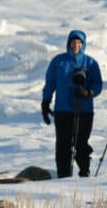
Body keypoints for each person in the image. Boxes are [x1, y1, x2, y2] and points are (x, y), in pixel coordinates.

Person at [41, 30, 103, 178]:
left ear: (83, 45)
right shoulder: (58, 61)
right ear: (68, 43)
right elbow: (50, 83)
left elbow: (98, 84)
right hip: (63, 110)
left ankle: (84, 172)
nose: (76, 45)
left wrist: (88, 93)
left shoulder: (91, 63)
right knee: (63, 145)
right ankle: (63, 175)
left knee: (81, 143)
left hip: (85, 110)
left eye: (79, 43)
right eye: (73, 42)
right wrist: (46, 101)